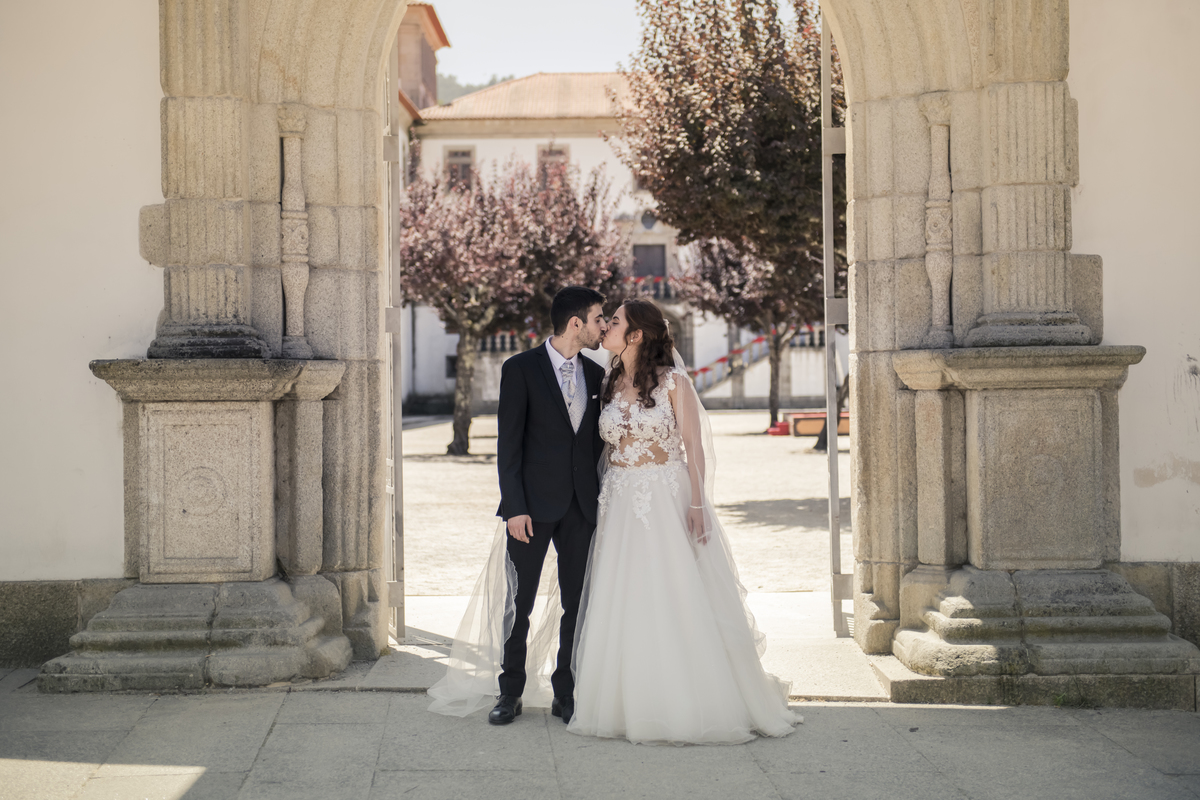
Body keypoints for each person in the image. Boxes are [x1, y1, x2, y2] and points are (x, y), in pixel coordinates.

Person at [566, 299, 802, 745]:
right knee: (624, 595)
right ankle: (625, 701)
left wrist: (697, 505)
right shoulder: (609, 379)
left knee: (673, 589)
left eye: (614, 322)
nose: (607, 328)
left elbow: (693, 447)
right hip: (618, 500)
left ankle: (692, 700)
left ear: (635, 335)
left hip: (664, 496)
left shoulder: (674, 382)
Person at [427, 286, 608, 726]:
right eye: (599, 317)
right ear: (575, 324)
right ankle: (509, 693)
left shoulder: (597, 374)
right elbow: (508, 447)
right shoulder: (520, 368)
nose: (604, 325)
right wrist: (514, 507)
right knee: (518, 604)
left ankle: (566, 693)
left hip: (581, 509)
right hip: (530, 509)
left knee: (577, 603)